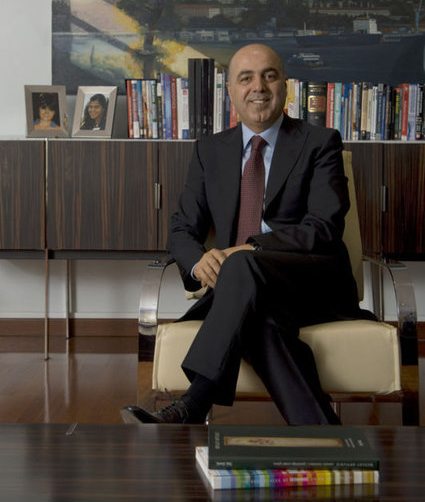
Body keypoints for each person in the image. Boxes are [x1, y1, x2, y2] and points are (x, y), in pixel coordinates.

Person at [121, 43, 373, 426]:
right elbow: (181, 229)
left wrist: (250, 248)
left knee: (241, 264)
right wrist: (199, 262)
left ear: (285, 85)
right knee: (262, 323)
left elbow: (323, 228)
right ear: (231, 91)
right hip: (243, 292)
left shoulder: (320, 143)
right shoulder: (210, 151)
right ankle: (325, 434)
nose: (258, 87)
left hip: (310, 286)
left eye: (269, 76)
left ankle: (193, 404)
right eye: (246, 78)